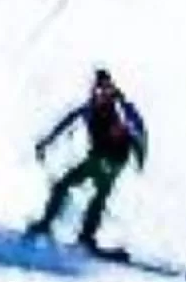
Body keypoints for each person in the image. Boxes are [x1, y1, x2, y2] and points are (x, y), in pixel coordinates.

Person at [27, 67, 148, 249]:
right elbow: (68, 121)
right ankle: (75, 232)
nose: (100, 92)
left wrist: (139, 157)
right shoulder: (91, 108)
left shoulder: (121, 109)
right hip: (101, 157)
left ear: (111, 89)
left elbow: (139, 131)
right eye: (98, 88)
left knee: (82, 188)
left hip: (112, 159)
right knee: (78, 189)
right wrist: (47, 141)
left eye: (105, 88)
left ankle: (72, 231)